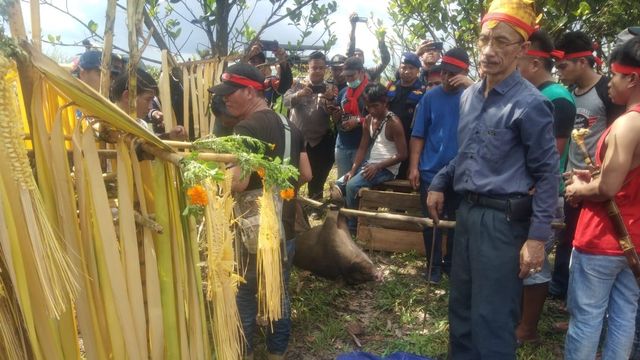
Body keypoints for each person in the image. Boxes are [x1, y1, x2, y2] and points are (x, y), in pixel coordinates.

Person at [426, 1, 559, 357]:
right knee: (462, 310)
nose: (489, 50)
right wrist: (440, 182)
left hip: (502, 223)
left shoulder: (530, 105)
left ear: (522, 50)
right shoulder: (468, 96)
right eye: (485, 39)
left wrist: (536, 239)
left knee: (494, 316)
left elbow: (548, 175)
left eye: (502, 42)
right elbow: (467, 154)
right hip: (467, 214)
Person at [209, 63, 312, 360]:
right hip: (286, 225)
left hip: (255, 229)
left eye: (230, 93)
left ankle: (242, 352)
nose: (226, 99)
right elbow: (305, 173)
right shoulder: (290, 125)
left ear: (250, 91)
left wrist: (210, 174)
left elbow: (239, 183)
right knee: (277, 290)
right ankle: (277, 352)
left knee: (245, 291)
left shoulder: (248, 127)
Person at [563, 35, 640, 360]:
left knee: (587, 318)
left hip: (603, 238)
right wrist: (592, 177)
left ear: (632, 77)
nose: (610, 83)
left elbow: (608, 190)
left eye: (615, 75)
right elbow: (621, 178)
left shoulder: (628, 124)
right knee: (623, 317)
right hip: (634, 239)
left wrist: (578, 189)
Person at [550, 31, 625, 302]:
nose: (559, 71)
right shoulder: (567, 94)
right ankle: (561, 289)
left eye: (563, 65)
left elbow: (618, 141)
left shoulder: (607, 91)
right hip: (571, 179)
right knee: (567, 237)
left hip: (597, 183)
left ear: (583, 61)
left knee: (590, 245)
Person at [515, 29, 576, 344]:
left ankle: (527, 329)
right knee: (520, 256)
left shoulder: (557, 99)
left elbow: (553, 151)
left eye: (520, 58)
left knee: (535, 258)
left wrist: (538, 185)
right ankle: (518, 318)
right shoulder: (529, 94)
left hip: (541, 193)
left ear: (535, 62)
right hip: (522, 190)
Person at [408, 47, 470, 284]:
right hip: (431, 172)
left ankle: (451, 264)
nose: (445, 77)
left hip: (462, 172)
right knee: (432, 221)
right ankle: (432, 266)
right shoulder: (430, 98)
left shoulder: (474, 96)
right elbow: (418, 135)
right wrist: (414, 166)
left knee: (457, 222)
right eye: (443, 72)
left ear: (464, 72)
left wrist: (471, 85)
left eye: (452, 73)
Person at [334, 83, 407, 231]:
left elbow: (403, 154)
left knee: (352, 186)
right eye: (368, 106)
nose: (372, 110)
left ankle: (353, 226)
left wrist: (378, 166)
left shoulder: (394, 122)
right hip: (370, 164)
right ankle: (348, 219)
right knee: (339, 185)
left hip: (387, 169)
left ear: (385, 103)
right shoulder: (367, 120)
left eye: (375, 106)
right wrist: (352, 170)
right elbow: (362, 147)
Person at [284, 51, 338, 200]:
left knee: (317, 176)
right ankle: (290, 200)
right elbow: (285, 101)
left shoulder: (330, 88)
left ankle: (315, 204)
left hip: (319, 140)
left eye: (321, 68)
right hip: (297, 139)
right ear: (308, 67)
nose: (318, 71)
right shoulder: (297, 83)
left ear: (325, 68)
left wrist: (331, 100)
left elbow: (335, 113)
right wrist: (299, 94)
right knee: (292, 173)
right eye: (314, 68)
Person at [110, 68, 186, 140]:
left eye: (152, 100)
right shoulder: (106, 126)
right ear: (128, 96)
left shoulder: (140, 124)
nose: (150, 107)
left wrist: (169, 136)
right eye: (147, 99)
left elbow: (146, 144)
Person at [387, 52, 424, 180]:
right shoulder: (391, 87)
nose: (407, 71)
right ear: (399, 68)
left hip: (411, 142)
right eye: (404, 67)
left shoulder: (423, 91)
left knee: (406, 180)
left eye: (411, 68)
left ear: (418, 71)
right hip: (390, 143)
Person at [330, 57, 369, 178]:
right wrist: (335, 115)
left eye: (352, 76)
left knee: (359, 183)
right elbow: (337, 118)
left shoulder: (372, 91)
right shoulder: (344, 92)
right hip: (342, 143)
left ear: (361, 72)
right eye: (346, 76)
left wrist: (358, 121)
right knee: (342, 181)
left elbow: (379, 118)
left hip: (363, 145)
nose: (348, 79)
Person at [247, 42, 293, 108]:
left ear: (265, 67)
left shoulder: (268, 85)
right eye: (252, 61)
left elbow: (285, 85)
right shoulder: (239, 84)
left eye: (260, 63)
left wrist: (283, 61)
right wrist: (248, 55)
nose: (257, 65)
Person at [347, 14, 390, 82]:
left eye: (360, 54)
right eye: (355, 55)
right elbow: (350, 50)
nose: (357, 56)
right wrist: (353, 27)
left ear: (364, 59)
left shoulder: (370, 72)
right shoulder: (347, 71)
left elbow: (385, 61)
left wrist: (381, 43)